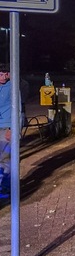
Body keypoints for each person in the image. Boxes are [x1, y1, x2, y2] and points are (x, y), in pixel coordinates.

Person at [0, 64, 18, 197]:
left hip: (6, 126)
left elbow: (16, 108)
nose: (4, 77)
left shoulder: (12, 86)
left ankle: (5, 188)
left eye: (6, 74)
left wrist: (12, 128)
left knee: (5, 159)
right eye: (1, 74)